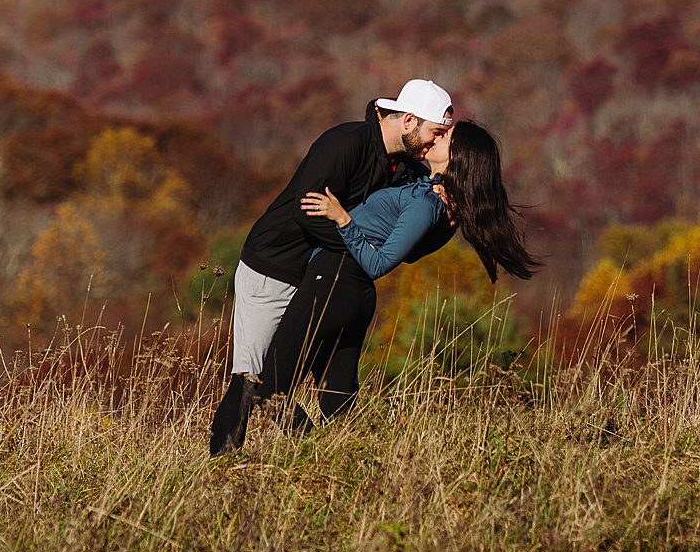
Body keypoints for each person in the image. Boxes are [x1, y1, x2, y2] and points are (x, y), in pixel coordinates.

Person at [239, 118, 540, 445]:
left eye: (445, 136)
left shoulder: (426, 206)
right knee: (337, 403)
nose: (436, 137)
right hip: (350, 293)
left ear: (459, 156)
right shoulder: (439, 204)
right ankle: (341, 463)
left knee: (269, 389)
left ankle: (313, 452)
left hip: (333, 281)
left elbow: (378, 262)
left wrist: (343, 219)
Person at [207, 78, 455, 456]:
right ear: (408, 121)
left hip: (320, 276)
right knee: (252, 381)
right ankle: (220, 468)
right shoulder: (345, 144)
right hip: (275, 267)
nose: (433, 144)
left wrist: (446, 219)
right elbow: (307, 214)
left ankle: (333, 461)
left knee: (334, 389)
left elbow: (406, 243)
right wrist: (358, 252)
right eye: (433, 133)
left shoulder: (404, 168)